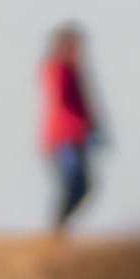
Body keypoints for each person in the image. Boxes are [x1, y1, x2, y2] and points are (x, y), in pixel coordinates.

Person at [40, 23, 100, 233]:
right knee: (73, 183)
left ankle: (59, 228)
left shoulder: (71, 69)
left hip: (76, 137)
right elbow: (62, 99)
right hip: (64, 138)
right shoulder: (58, 68)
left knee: (83, 185)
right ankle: (57, 228)